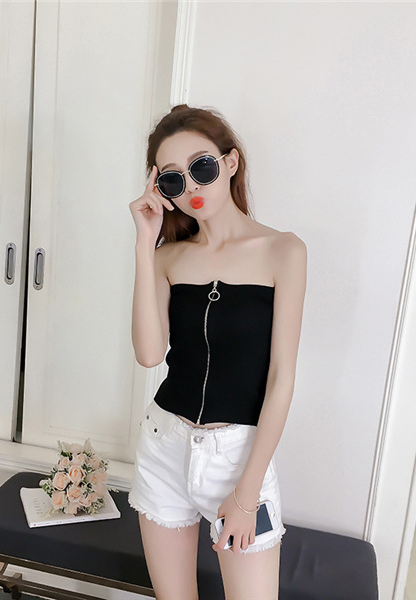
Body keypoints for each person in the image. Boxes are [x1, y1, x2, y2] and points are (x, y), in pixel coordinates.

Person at [127, 104, 307, 600]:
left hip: (238, 457)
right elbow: (149, 354)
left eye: (201, 167)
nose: (191, 187)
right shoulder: (167, 257)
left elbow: (282, 378)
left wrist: (248, 494)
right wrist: (144, 244)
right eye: (173, 179)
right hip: (165, 445)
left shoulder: (283, 251)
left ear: (230, 162)